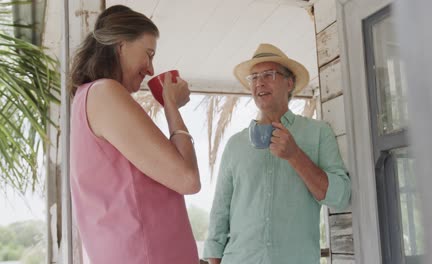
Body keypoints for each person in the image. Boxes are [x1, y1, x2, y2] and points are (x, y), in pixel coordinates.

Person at [69, 5, 200, 264]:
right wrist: (171, 105)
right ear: (121, 45)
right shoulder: (104, 93)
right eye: (148, 54)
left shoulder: (87, 98)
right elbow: (188, 179)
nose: (151, 69)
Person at [203, 43, 351, 264]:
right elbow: (219, 217)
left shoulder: (318, 133)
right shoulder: (235, 144)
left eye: (269, 74)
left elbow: (340, 197)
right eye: (254, 77)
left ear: (289, 83)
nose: (259, 82)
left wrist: (295, 155)